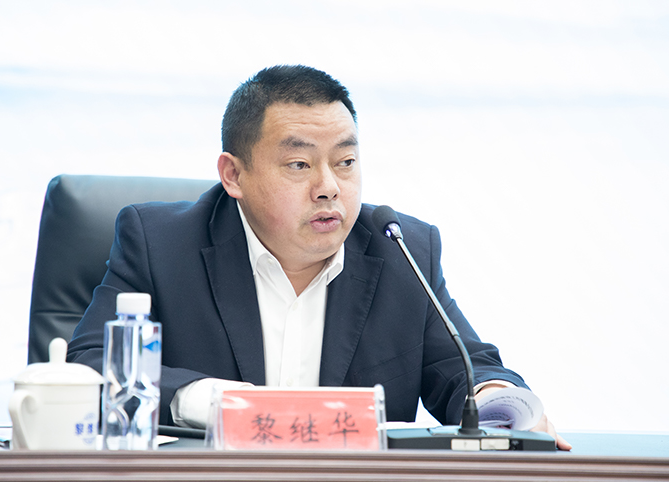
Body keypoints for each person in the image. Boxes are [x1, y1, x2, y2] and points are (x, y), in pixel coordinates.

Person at [68, 65, 570, 450]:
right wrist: (218, 402)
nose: (329, 187)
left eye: (345, 162)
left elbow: (465, 367)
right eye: (299, 164)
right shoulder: (160, 244)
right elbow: (91, 369)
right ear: (233, 175)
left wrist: (497, 401)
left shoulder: (400, 248)